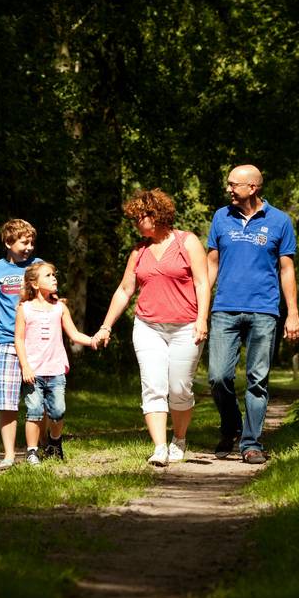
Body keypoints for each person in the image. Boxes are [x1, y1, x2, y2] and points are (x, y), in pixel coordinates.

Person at [93, 189, 211, 466]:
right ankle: (159, 447)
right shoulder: (139, 251)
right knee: (153, 386)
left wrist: (202, 319)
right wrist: (106, 327)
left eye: (138, 218)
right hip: (148, 326)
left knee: (180, 387)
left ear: (155, 215)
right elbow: (124, 291)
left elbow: (202, 283)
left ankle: (179, 439)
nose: (135, 224)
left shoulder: (188, 241)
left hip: (186, 326)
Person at [207, 164, 299, 464]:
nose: (229, 189)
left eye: (234, 185)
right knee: (218, 376)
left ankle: (251, 443)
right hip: (224, 309)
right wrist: (200, 307)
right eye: (229, 184)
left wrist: (293, 314)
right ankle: (232, 424)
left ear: (253, 188)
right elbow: (211, 265)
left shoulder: (280, 221)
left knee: (257, 379)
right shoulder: (221, 217)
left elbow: (287, 270)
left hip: (264, 310)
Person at [15, 261, 97, 466]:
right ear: (34, 284)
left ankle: (54, 442)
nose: (54, 278)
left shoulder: (60, 308)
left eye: (54, 275)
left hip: (56, 370)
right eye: (48, 275)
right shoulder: (24, 309)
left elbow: (75, 334)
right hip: (33, 371)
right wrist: (25, 366)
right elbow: (18, 339)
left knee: (58, 411)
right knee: (34, 411)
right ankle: (32, 451)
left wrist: (93, 340)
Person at [0, 219, 43, 470]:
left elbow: (52, 298)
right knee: (6, 401)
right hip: (5, 342)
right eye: (24, 243)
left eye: (31, 243)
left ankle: (36, 449)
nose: (29, 247)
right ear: (8, 242)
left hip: (36, 344)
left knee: (39, 400)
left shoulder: (38, 266)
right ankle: (8, 454)